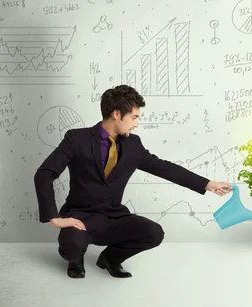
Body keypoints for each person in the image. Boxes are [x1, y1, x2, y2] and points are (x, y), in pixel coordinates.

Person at [33, 85, 232, 279]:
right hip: (80, 217)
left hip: (113, 216)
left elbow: (164, 168)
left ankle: (109, 259)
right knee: (71, 247)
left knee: (154, 233)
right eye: (134, 117)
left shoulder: (133, 145)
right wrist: (55, 218)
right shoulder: (77, 139)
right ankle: (76, 259)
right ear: (117, 113)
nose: (136, 123)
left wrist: (207, 184)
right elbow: (44, 174)